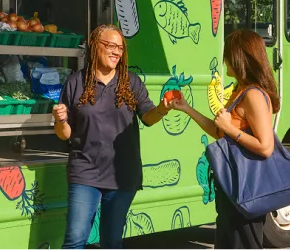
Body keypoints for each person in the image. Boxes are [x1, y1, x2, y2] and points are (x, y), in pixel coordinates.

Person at [53, 24, 172, 249]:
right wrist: (60, 120)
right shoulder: (76, 82)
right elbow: (65, 134)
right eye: (110, 45)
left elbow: (148, 117)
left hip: (122, 174)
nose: (116, 52)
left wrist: (163, 109)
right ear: (95, 47)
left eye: (120, 48)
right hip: (85, 171)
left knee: (112, 240)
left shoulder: (131, 82)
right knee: (75, 238)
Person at [169, 29, 279, 249]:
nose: (224, 60)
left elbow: (266, 147)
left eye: (227, 54)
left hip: (246, 189)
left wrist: (231, 128)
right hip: (232, 189)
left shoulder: (254, 95)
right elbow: (219, 131)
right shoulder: (241, 91)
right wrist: (187, 109)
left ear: (239, 57)